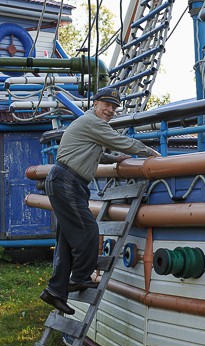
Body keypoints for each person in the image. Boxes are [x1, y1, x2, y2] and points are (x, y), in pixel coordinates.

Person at [40, 87, 161, 315]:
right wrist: (150, 153)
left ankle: (55, 290)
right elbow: (120, 141)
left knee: (67, 241)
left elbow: (93, 151)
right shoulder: (94, 123)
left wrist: (113, 159)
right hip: (67, 182)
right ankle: (80, 277)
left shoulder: (89, 124)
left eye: (114, 107)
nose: (110, 110)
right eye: (107, 105)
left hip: (66, 181)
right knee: (88, 232)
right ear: (95, 103)